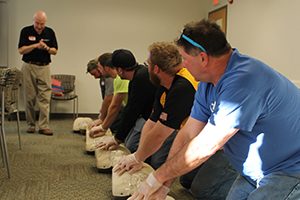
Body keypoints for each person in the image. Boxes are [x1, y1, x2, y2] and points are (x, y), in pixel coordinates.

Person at [129, 19, 300, 200]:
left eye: (184, 58)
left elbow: (206, 145)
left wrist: (156, 178)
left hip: (289, 170)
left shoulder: (244, 81)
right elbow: (188, 134)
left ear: (202, 58)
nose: (182, 65)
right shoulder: (207, 82)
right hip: (254, 171)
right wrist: (165, 184)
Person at [114, 42, 198, 173]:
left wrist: (137, 157)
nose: (146, 68)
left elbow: (161, 133)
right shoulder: (164, 83)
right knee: (156, 160)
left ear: (156, 69)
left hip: (209, 139)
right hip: (186, 130)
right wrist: (140, 156)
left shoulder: (182, 87)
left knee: (196, 186)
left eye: (148, 64)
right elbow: (152, 121)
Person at [96, 49, 157, 153]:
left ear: (120, 70)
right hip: (145, 116)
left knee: (130, 145)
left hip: (153, 118)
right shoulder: (138, 75)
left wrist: (116, 139)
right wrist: (118, 137)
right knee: (127, 141)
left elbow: (132, 111)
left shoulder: (140, 78)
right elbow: (130, 109)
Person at [18, 10, 58, 135]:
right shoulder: (26, 31)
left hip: (44, 67)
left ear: (45, 22)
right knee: (29, 97)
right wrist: (35, 45)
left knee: (45, 97)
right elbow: (21, 50)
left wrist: (47, 48)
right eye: (37, 23)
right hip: (29, 66)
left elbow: (55, 51)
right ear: (33, 21)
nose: (39, 26)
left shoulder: (50, 32)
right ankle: (30, 125)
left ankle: (43, 126)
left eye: (42, 24)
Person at [88, 53, 129, 137]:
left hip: (130, 112)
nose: (95, 77)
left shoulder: (116, 79)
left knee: (129, 143)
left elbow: (111, 101)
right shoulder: (114, 79)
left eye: (98, 69)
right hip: (127, 110)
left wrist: (102, 122)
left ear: (105, 68)